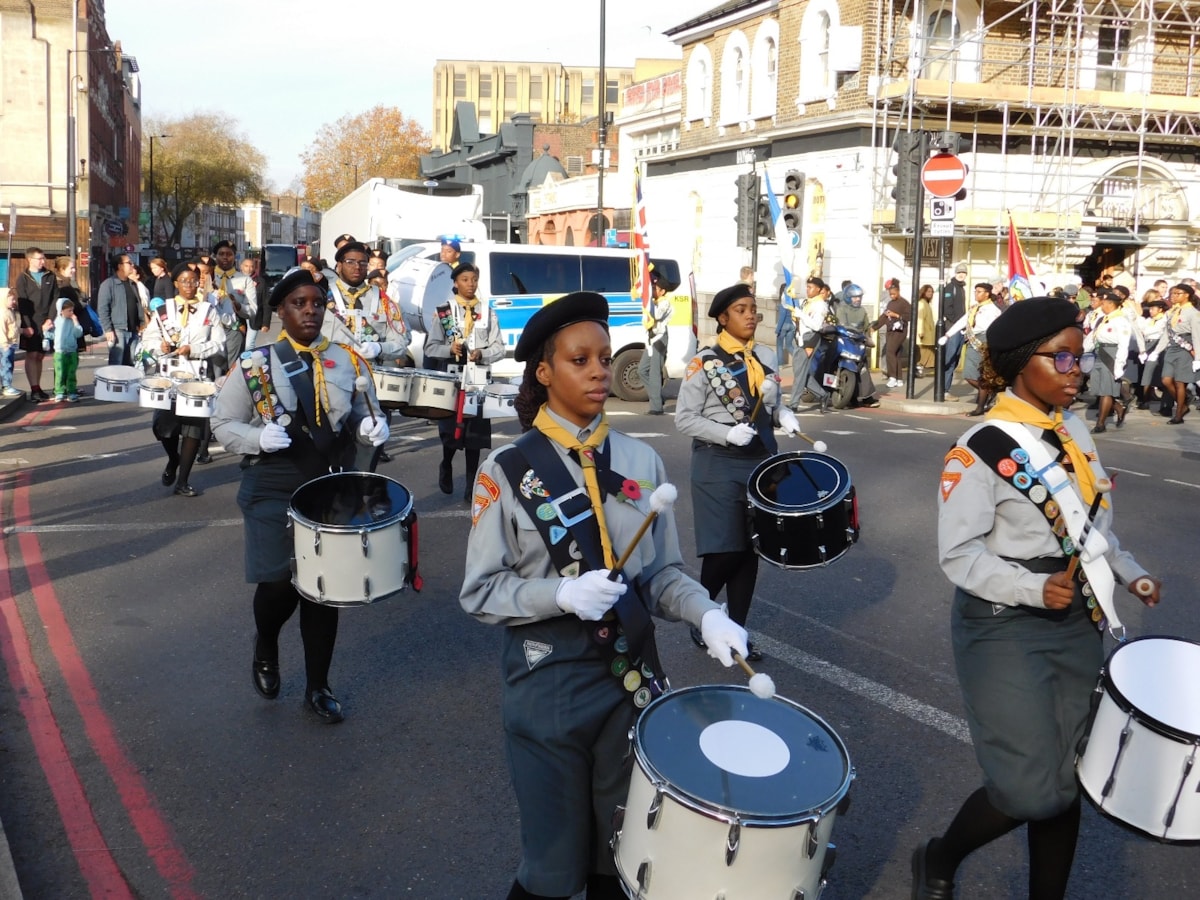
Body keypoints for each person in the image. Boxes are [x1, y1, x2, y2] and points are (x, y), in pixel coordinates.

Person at [459, 290, 748, 900]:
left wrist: (709, 614)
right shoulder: (507, 469)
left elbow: (662, 575)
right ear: (544, 372)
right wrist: (560, 594)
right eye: (579, 360)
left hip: (630, 684)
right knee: (552, 871)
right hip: (548, 688)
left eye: (605, 357)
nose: (599, 372)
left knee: (625, 865)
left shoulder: (641, 460)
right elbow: (481, 592)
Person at [915, 296, 1160, 900]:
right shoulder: (981, 447)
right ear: (1024, 362)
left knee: (1064, 779)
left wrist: (1129, 572)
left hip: (1076, 616)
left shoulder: (1072, 429)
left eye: (1083, 355)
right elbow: (959, 555)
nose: (1078, 367)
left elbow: (1092, 526)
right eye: (1065, 356)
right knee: (1028, 789)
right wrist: (1031, 587)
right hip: (1003, 624)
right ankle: (939, 858)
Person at [212, 267, 388, 724]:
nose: (309, 311)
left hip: (328, 485)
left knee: (322, 590)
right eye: (298, 303)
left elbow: (355, 415)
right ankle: (266, 642)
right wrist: (255, 440)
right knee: (277, 582)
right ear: (279, 311)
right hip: (272, 481)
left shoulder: (346, 360)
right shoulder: (256, 363)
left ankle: (318, 686)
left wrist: (370, 428)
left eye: (316, 303)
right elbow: (222, 422)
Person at [676, 282, 802, 661]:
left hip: (760, 461)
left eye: (754, 310)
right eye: (742, 309)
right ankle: (703, 616)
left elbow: (768, 405)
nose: (751, 315)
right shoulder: (704, 362)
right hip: (718, 463)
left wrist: (784, 415)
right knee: (725, 549)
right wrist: (725, 432)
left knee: (750, 550)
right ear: (722, 317)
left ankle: (738, 633)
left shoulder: (764, 355)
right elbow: (684, 419)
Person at [145, 264, 227, 497]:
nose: (189, 285)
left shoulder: (208, 310)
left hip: (197, 376)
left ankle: (183, 481)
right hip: (168, 376)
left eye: (193, 281)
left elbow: (218, 344)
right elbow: (148, 339)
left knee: (193, 429)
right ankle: (173, 459)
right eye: (184, 281)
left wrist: (194, 349)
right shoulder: (163, 309)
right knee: (163, 426)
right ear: (175, 283)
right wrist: (157, 345)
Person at [424, 261, 504, 498]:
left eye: (474, 279)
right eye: (465, 280)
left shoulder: (487, 313)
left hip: (478, 379)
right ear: (456, 284)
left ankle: (471, 485)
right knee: (450, 431)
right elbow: (430, 348)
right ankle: (446, 463)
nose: (471, 284)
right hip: (451, 379)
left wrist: (484, 353)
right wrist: (450, 350)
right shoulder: (443, 312)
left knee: (475, 436)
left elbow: (499, 347)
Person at [943, 282, 1001, 416]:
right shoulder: (975, 308)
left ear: (987, 294)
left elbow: (985, 326)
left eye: (979, 291)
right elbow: (962, 321)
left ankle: (981, 406)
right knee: (969, 375)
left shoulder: (992, 309)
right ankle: (990, 392)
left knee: (982, 376)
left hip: (983, 341)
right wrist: (948, 334)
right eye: (975, 291)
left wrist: (969, 331)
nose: (976, 293)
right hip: (972, 341)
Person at [1146, 282, 1200, 424]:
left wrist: (1198, 358)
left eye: (1178, 294)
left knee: (1179, 382)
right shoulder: (1172, 312)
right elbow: (1166, 334)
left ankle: (1178, 415)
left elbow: (1196, 336)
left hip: (1185, 348)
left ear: (1187, 295)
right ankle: (1183, 404)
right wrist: (1157, 351)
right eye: (1173, 293)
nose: (1174, 296)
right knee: (1166, 379)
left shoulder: (1193, 313)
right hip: (1171, 348)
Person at [1083, 290, 1130, 433]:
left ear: (1110, 304)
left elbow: (1124, 344)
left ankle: (1100, 424)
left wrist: (1119, 364)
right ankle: (1118, 407)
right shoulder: (1102, 318)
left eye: (1103, 303)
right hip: (1099, 353)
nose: (1101, 305)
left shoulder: (1121, 320)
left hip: (1112, 355)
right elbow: (1093, 336)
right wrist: (1085, 350)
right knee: (1098, 389)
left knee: (1106, 392)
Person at [15, 246, 58, 402]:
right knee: (32, 354)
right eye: (39, 258)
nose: (43, 261)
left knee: (40, 355)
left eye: (43, 258)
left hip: (46, 320)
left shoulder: (50, 276)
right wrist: (27, 325)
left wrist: (50, 319)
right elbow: (22, 304)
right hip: (31, 321)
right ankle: (34, 389)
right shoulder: (23, 278)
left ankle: (38, 387)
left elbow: (55, 299)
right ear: (30, 260)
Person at [635, 267, 679, 415]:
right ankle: (657, 397)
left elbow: (656, 316)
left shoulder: (664, 302)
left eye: (656, 288)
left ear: (663, 291)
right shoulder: (653, 301)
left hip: (660, 338)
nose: (653, 290)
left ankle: (656, 407)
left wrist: (648, 303)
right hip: (651, 337)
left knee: (654, 372)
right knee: (642, 370)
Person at [209, 240, 256, 375]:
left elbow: (252, 310)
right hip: (212, 330)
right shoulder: (208, 277)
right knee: (214, 372)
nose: (225, 257)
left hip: (234, 330)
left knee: (232, 372)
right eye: (221, 254)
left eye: (229, 254)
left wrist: (238, 305)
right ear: (215, 256)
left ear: (234, 256)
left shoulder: (245, 280)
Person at [834, 283, 880, 407]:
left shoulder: (862, 311)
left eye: (859, 297)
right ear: (848, 297)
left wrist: (868, 338)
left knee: (863, 366)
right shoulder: (841, 309)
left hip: (857, 341)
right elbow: (841, 324)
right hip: (844, 339)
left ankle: (866, 396)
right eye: (855, 297)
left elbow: (866, 327)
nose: (858, 299)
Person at [788, 276, 830, 408]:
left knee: (800, 374)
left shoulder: (820, 305)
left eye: (811, 287)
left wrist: (801, 315)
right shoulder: (807, 302)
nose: (808, 289)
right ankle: (823, 394)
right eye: (807, 286)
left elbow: (816, 326)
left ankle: (793, 404)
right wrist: (796, 319)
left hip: (810, 339)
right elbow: (802, 321)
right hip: (800, 338)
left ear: (818, 289)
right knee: (800, 373)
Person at [97, 253, 145, 367]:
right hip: (118, 330)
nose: (132, 265)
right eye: (129, 263)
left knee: (133, 363)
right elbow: (103, 308)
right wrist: (108, 329)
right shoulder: (109, 284)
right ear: (120, 266)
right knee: (116, 364)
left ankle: (131, 385)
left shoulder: (132, 284)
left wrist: (142, 323)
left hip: (133, 330)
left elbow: (138, 304)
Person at [872, 277, 911, 387]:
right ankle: (899, 378)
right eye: (891, 294)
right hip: (890, 331)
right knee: (896, 354)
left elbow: (910, 316)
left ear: (898, 291)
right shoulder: (890, 303)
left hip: (899, 332)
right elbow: (884, 317)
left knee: (890, 351)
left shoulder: (904, 303)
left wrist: (897, 316)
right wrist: (874, 327)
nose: (892, 296)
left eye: (894, 294)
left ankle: (892, 376)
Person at [1137, 296, 1168, 410]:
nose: (1150, 311)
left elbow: (1148, 331)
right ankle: (1145, 398)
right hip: (1147, 345)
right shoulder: (1149, 320)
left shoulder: (1164, 320)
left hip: (1158, 345)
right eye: (1150, 309)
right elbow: (1141, 330)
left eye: (1153, 309)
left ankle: (1146, 399)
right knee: (1147, 373)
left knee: (1152, 373)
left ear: (1160, 309)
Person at [52, 257, 89, 355]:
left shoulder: (69, 282)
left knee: (71, 361)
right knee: (64, 361)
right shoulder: (61, 285)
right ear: (62, 269)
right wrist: (82, 304)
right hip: (66, 327)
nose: (74, 270)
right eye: (71, 268)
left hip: (72, 324)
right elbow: (65, 305)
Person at [51, 297, 84, 402]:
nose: (71, 313)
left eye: (72, 310)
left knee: (71, 373)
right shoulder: (56, 322)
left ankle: (72, 392)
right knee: (60, 373)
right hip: (60, 352)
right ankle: (59, 392)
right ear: (61, 310)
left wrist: (76, 322)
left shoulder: (72, 321)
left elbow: (78, 334)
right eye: (69, 310)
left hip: (72, 351)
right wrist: (45, 336)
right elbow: (50, 334)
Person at [241, 257, 270, 350]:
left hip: (254, 317)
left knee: (249, 345)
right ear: (241, 267)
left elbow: (266, 302)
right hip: (238, 318)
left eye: (251, 266)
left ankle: (248, 363)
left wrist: (265, 323)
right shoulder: (235, 279)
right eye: (246, 266)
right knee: (240, 344)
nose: (249, 268)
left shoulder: (260, 282)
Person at [0, 291, 20, 397]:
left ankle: (7, 385)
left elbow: (13, 328)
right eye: (12, 299)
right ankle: (6, 386)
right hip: (5, 345)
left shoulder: (10, 311)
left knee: (10, 365)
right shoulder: (3, 313)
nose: (14, 302)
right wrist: (4, 344)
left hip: (11, 343)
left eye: (14, 299)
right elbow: (1, 329)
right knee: (6, 365)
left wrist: (21, 331)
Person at [916, 284, 936, 376]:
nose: (930, 293)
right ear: (923, 292)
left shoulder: (926, 303)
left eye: (932, 292)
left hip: (929, 334)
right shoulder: (921, 303)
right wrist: (920, 331)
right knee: (923, 355)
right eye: (928, 291)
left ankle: (921, 369)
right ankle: (918, 370)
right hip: (924, 335)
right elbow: (920, 318)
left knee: (928, 354)